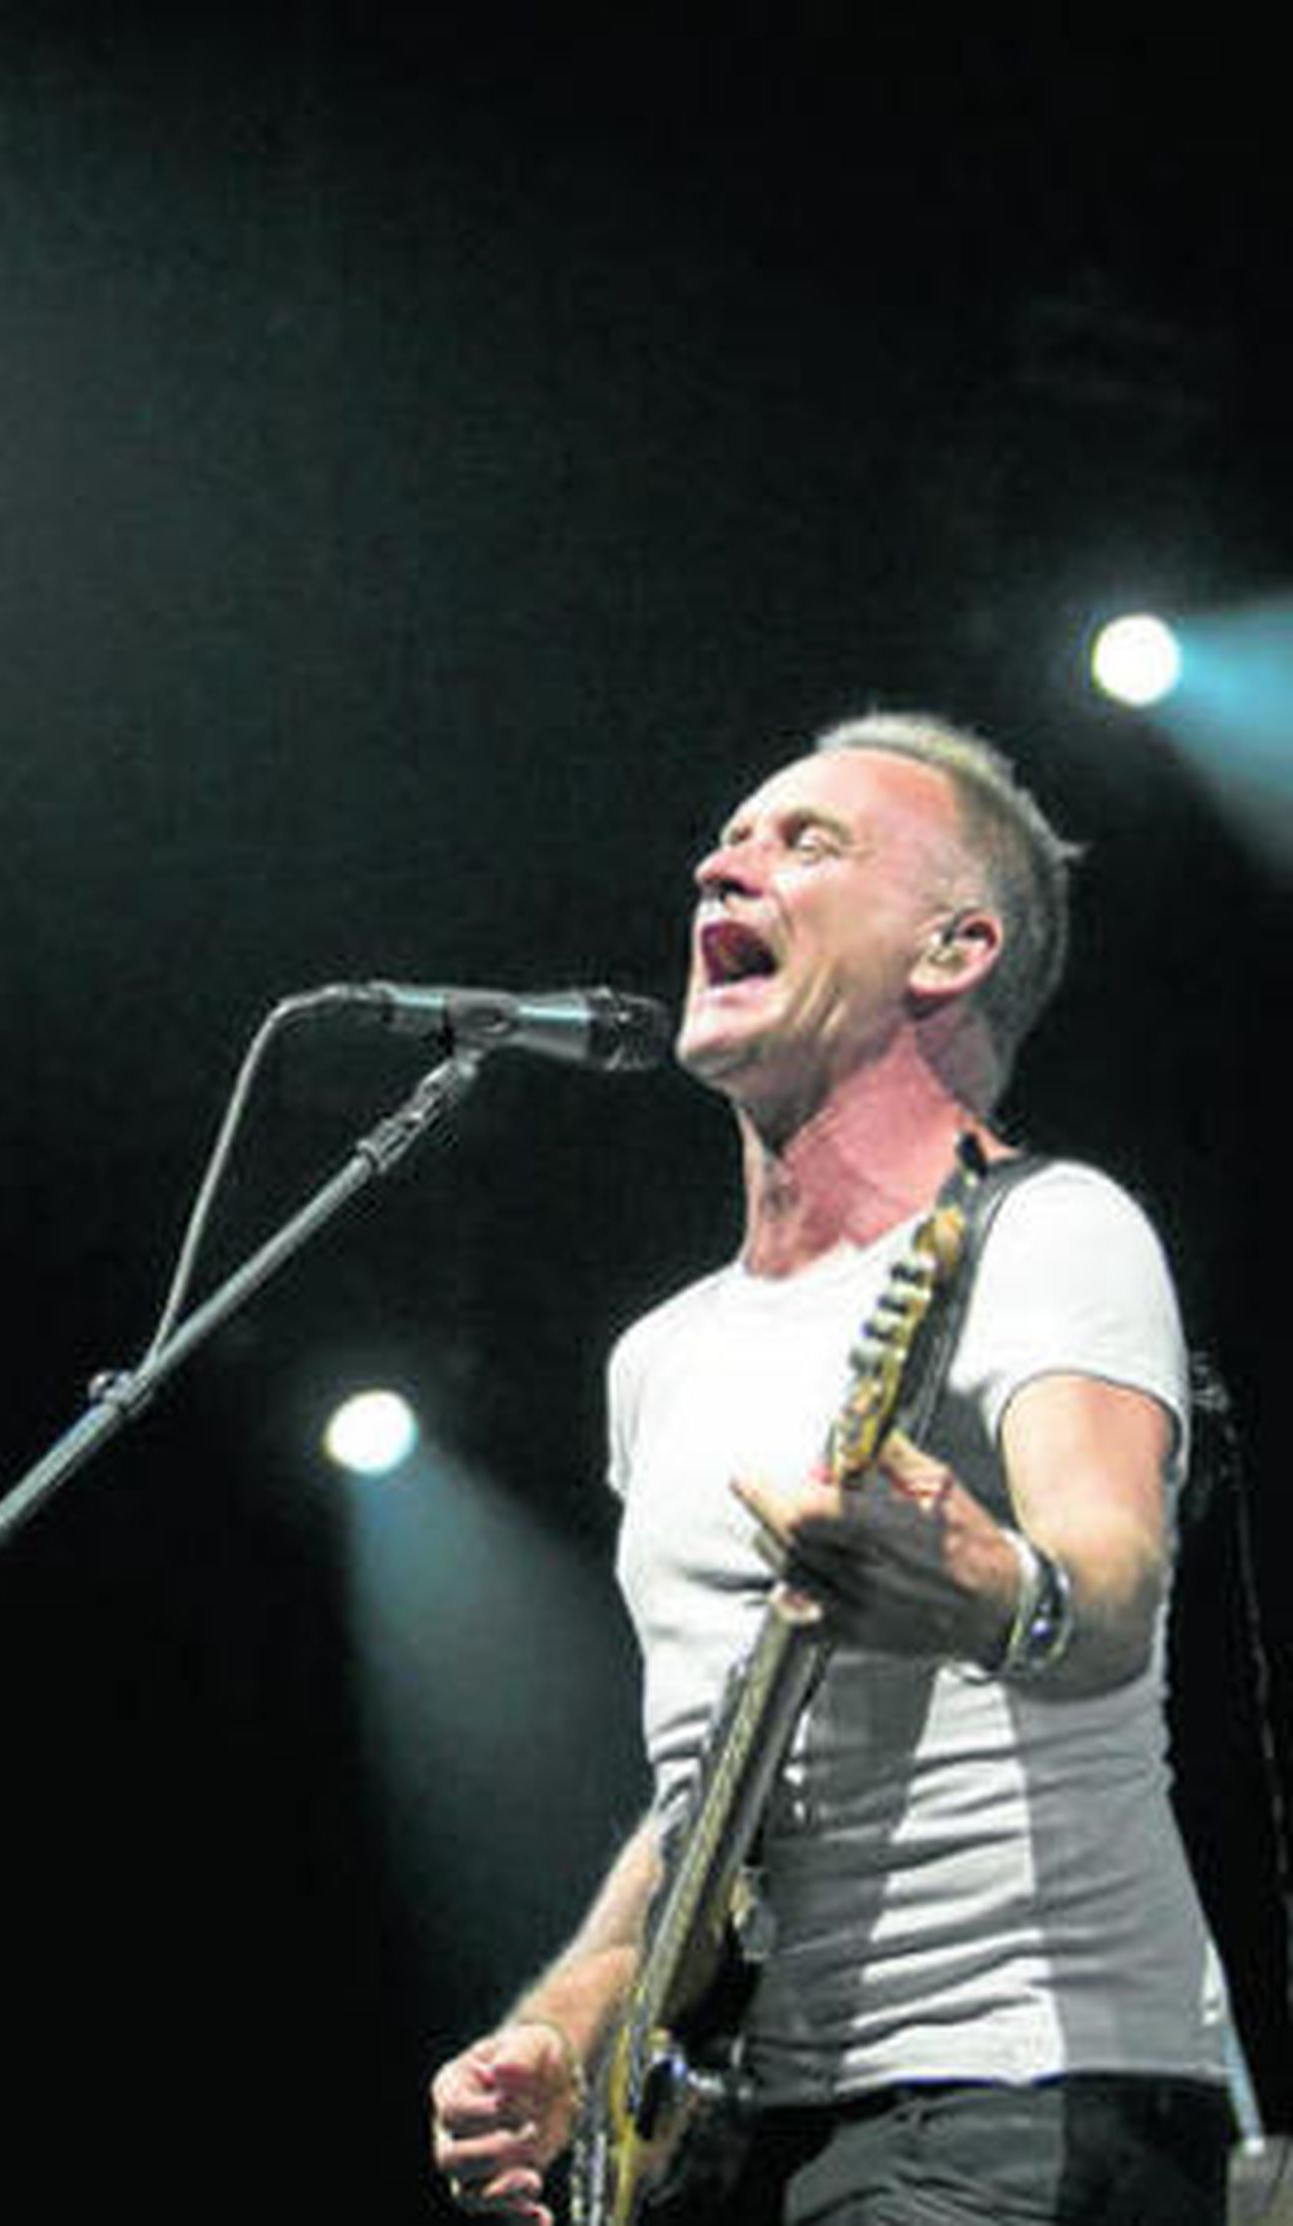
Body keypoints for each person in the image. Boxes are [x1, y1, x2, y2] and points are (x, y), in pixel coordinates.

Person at [428, 712, 1233, 2224]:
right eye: (731, 836)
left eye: (808, 841)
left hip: (1022, 2096)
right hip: (757, 2127)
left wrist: (996, 1590)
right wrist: (566, 2025)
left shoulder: (1044, 1229)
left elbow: (1112, 1580)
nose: (722, 864)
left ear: (953, 948)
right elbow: (704, 1792)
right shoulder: (659, 1357)